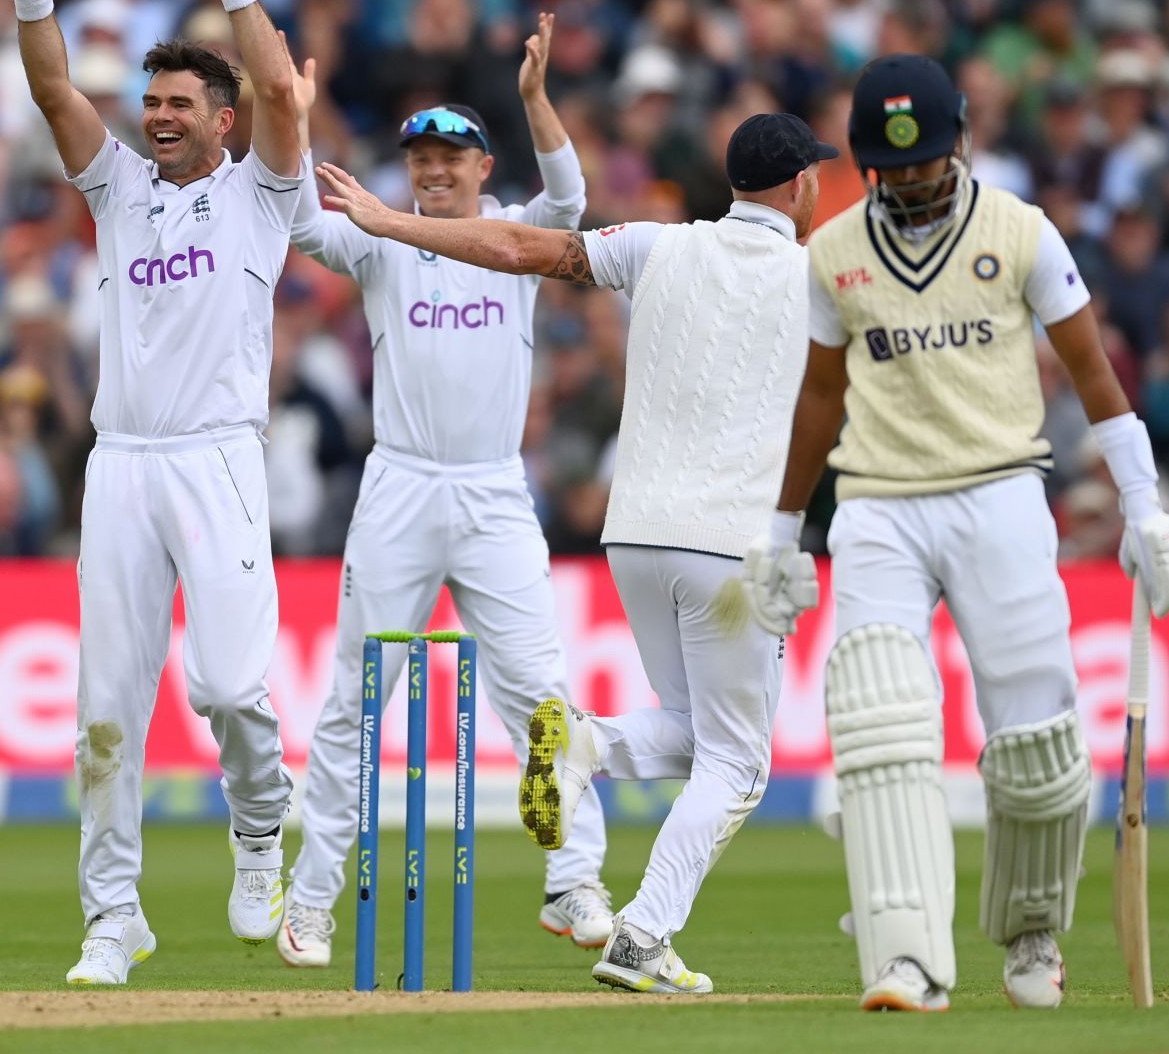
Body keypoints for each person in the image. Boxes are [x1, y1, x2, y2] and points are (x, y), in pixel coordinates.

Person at [316, 110, 836, 994]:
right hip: (732, 543)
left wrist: (394, 222)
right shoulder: (821, 276)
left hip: (634, 531)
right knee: (738, 761)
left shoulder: (656, 245)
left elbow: (525, 248)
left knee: (691, 728)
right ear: (798, 187)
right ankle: (642, 934)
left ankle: (582, 743)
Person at [752, 55, 1169, 1012]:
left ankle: (1033, 934)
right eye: (892, 168)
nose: (910, 181)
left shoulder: (1021, 232)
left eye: (926, 163)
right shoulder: (832, 252)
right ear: (867, 165)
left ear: (960, 141)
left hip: (1000, 492)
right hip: (878, 501)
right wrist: (785, 531)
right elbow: (819, 401)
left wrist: (1143, 504)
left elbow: (1093, 372)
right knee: (880, 721)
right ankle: (902, 952)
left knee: (1038, 746)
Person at [0, 0, 304, 986]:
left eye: (182, 103)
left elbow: (277, 79)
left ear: (220, 122)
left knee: (231, 689)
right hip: (120, 464)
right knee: (105, 714)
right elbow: (51, 91)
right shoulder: (119, 190)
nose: (160, 115)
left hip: (218, 458)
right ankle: (111, 916)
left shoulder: (264, 195)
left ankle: (261, 825)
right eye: (155, 100)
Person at [273, 15, 613, 970]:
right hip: (401, 486)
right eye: (419, 157)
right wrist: (294, 125)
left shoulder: (515, 234)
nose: (432, 171)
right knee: (357, 697)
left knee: (539, 692)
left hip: (495, 492)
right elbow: (303, 223)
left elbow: (573, 199)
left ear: (480, 164)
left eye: (450, 157)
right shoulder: (383, 237)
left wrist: (540, 99)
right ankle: (313, 899)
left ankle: (573, 879)